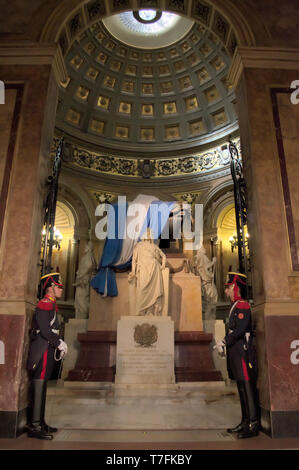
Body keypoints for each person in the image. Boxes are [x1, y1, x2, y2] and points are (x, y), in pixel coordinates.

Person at [216, 272, 259, 439]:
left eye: (228, 287)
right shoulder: (235, 305)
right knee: (241, 387)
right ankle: (245, 420)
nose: (226, 291)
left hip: (242, 351)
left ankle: (253, 424)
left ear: (235, 287)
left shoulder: (242, 305)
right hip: (235, 351)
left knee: (247, 386)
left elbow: (241, 329)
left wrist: (224, 341)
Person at [27, 272, 68, 440]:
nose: (60, 290)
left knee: (43, 384)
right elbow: (45, 330)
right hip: (43, 348)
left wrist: (57, 342)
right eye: (58, 287)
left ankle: (41, 422)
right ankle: (35, 425)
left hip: (48, 347)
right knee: (39, 383)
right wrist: (58, 342)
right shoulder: (45, 304)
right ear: (50, 288)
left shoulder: (51, 304)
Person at [129, 228, 166, 316]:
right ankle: (141, 310)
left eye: (150, 234)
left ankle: (149, 311)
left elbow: (163, 256)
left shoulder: (154, 246)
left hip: (154, 270)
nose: (148, 235)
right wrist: (133, 272)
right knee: (142, 289)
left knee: (153, 291)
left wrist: (163, 265)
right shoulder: (139, 246)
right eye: (147, 234)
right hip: (144, 270)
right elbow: (134, 260)